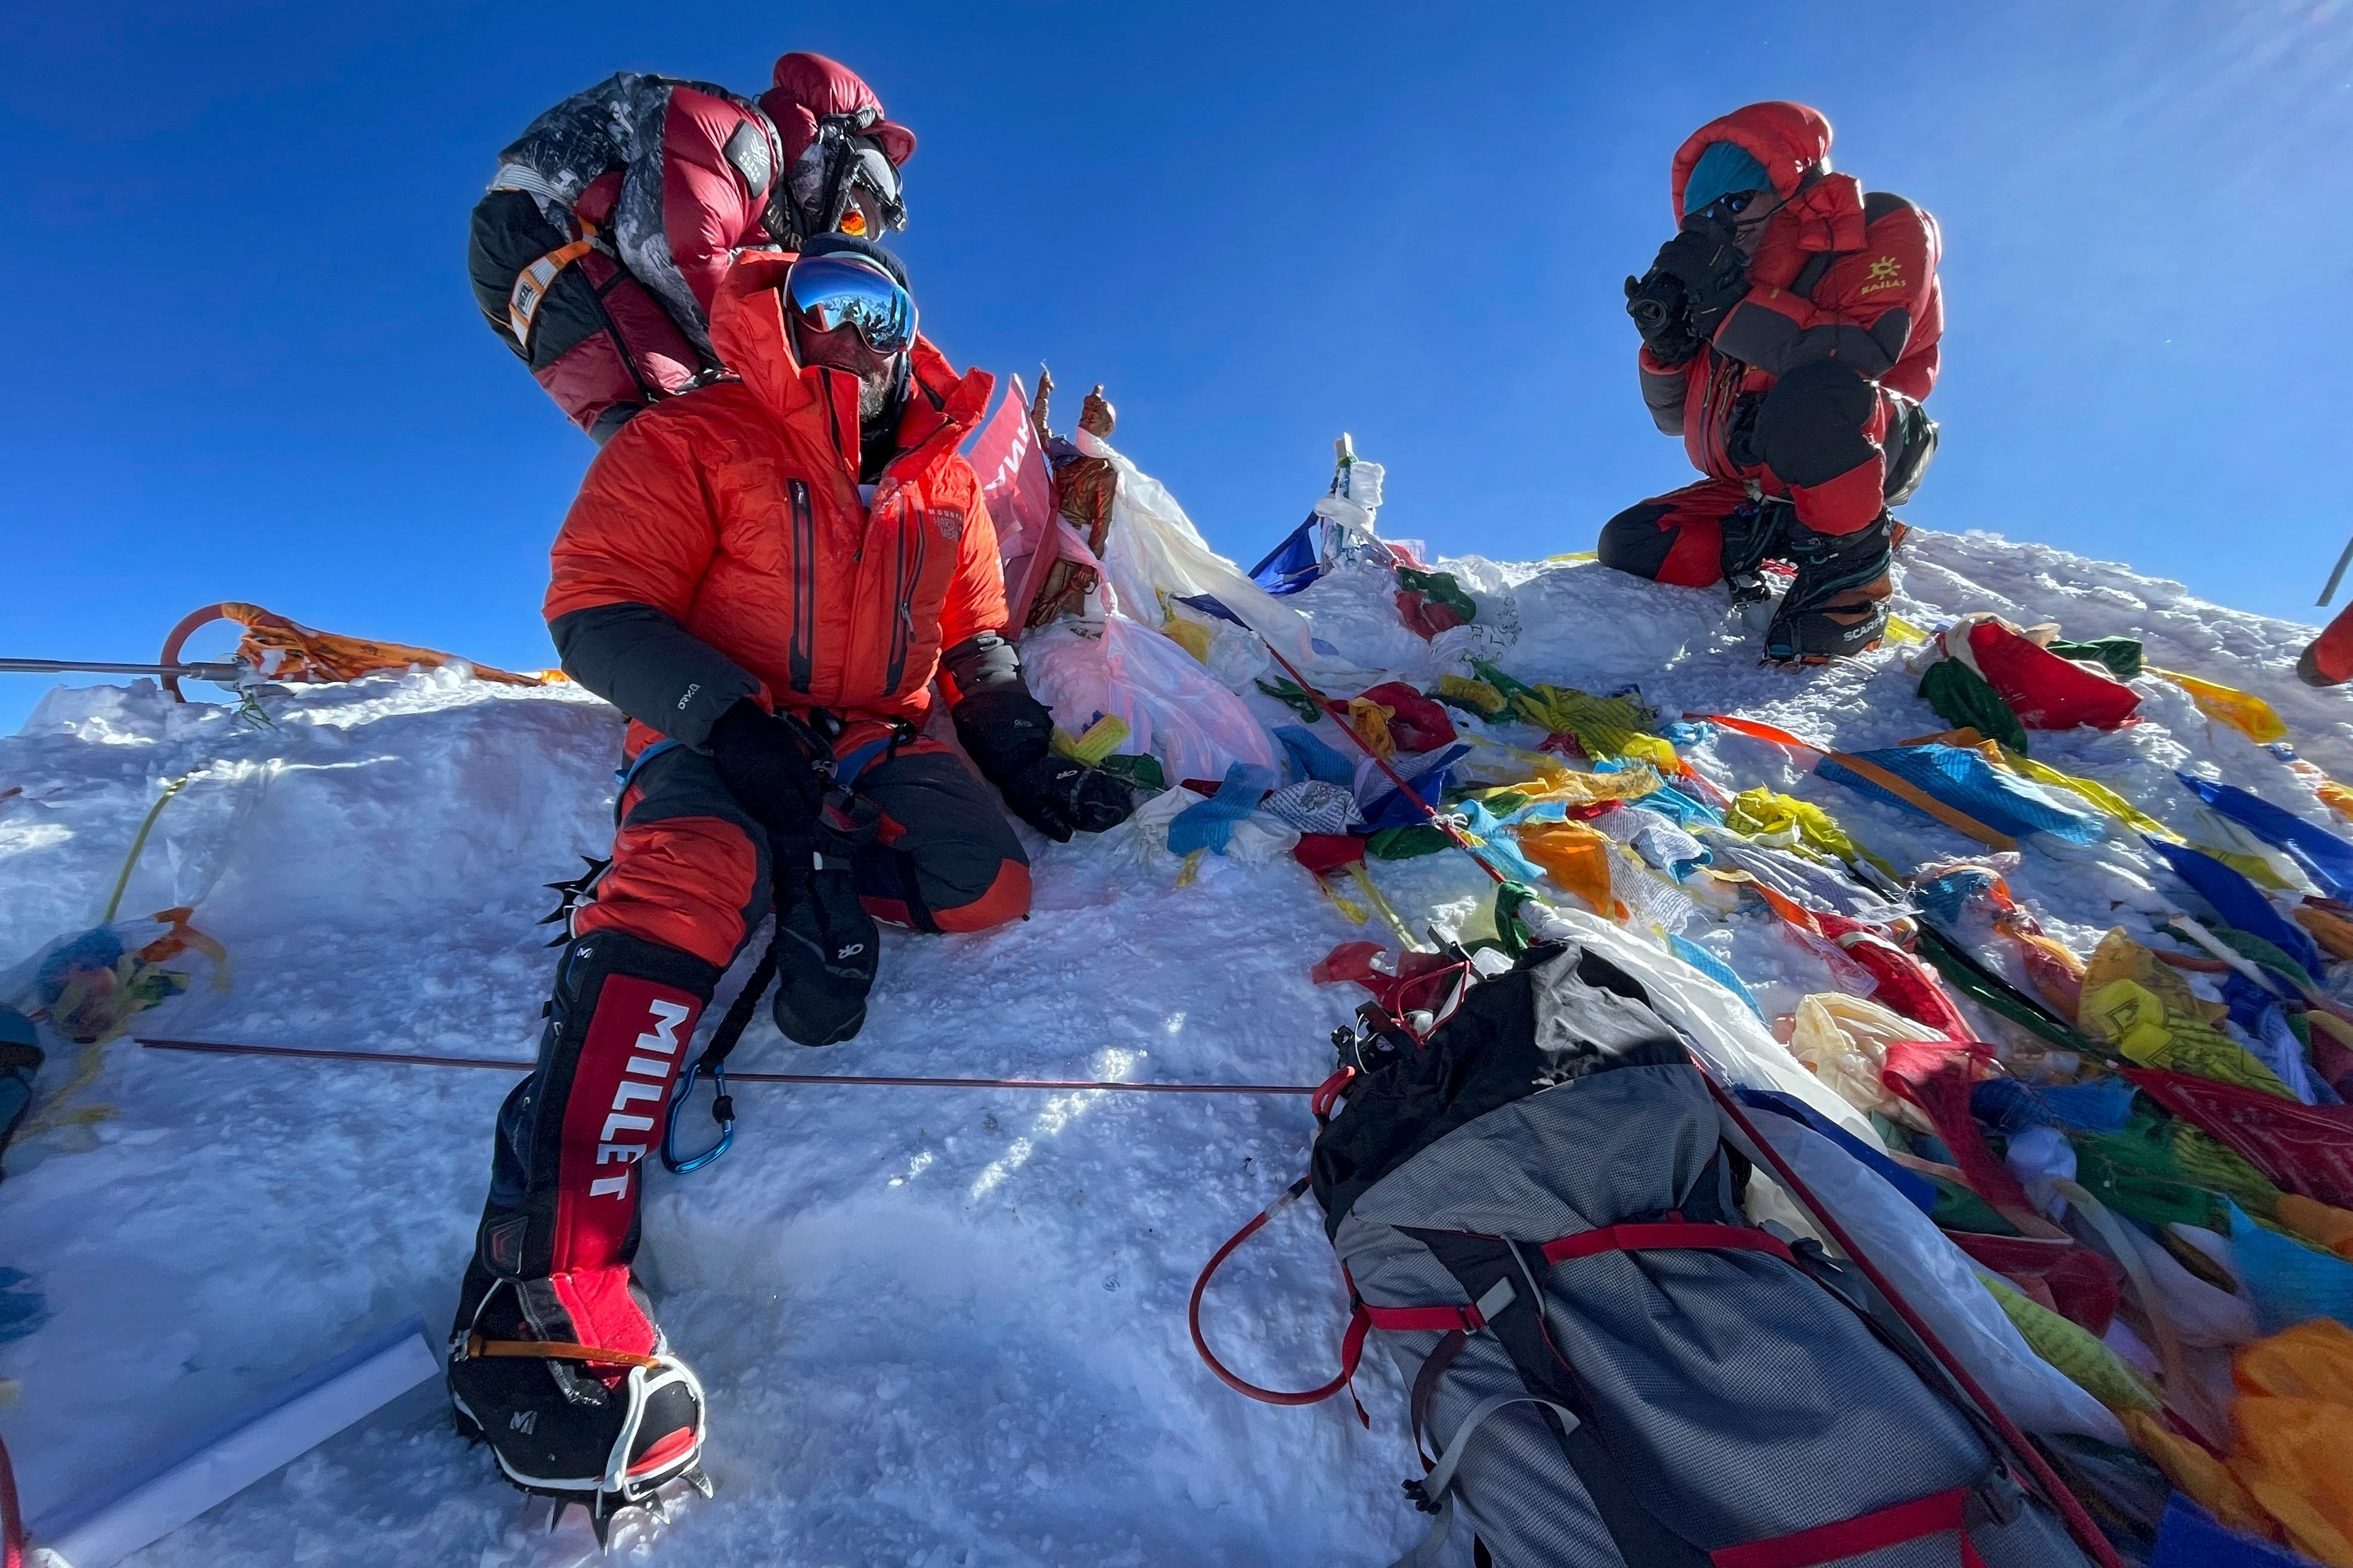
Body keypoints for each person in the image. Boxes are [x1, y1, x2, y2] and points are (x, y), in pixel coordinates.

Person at [445, 237, 1134, 1522]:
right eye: (827, 304)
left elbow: (977, 640)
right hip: (725, 719)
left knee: (987, 889)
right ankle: (539, 1279)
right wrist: (736, 731)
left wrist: (1026, 760)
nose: (855, 335)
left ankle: (799, 864)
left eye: (882, 311)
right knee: (691, 874)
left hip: (871, 730)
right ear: (784, 314)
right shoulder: (698, 432)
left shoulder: (940, 480)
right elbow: (595, 606)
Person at [1597, 102, 1943, 662]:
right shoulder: (1725, 278)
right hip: (1757, 474)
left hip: (1871, 435)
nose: (1726, 225)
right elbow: (1671, 419)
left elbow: (1858, 353)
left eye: (1738, 203)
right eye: (1706, 215)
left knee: (1813, 397)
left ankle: (1854, 567)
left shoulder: (1880, 224)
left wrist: (1725, 306)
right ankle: (1792, 528)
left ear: (1793, 183)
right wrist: (1667, 347)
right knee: (1633, 541)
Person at [468, 51, 917, 442]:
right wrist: (781, 381)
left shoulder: (769, 223)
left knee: (694, 421)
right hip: (543, 226)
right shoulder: (741, 138)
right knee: (676, 429)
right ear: (835, 153)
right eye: (853, 216)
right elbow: (674, 250)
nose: (844, 233)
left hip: (552, 251)